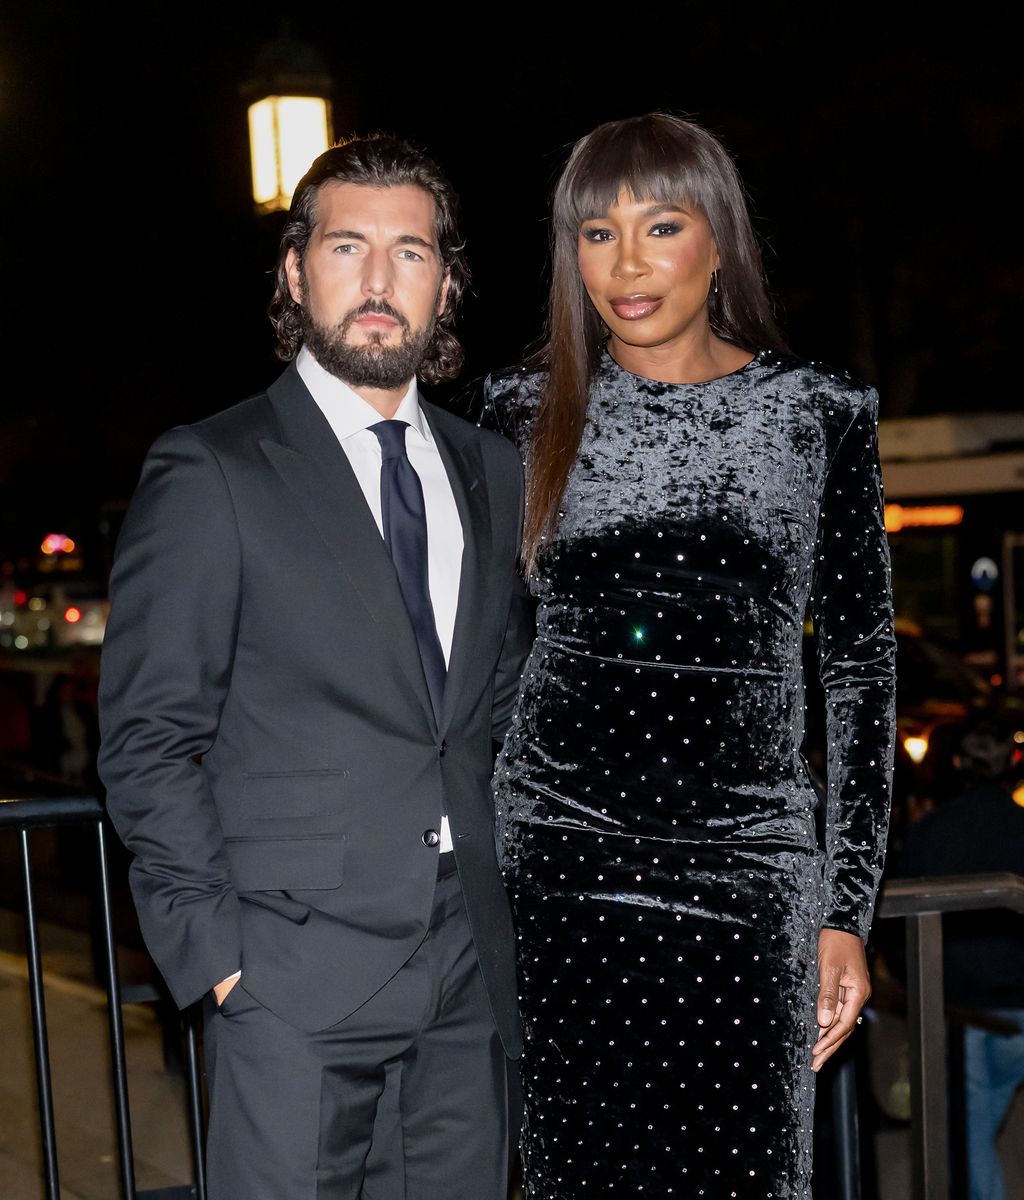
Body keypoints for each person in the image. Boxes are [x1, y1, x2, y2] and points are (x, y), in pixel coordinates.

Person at [98, 134, 532, 1200]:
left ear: (446, 284)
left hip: (471, 966)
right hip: (291, 976)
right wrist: (220, 960)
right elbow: (149, 734)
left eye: (412, 253)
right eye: (348, 247)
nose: (380, 281)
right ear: (297, 271)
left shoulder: (494, 467)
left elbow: (504, 707)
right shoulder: (213, 466)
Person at [480, 113, 897, 1197]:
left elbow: (856, 670)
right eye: (595, 233)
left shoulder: (820, 412)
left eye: (659, 226)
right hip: (559, 859)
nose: (625, 264)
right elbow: (475, 651)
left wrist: (846, 908)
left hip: (747, 866)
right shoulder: (518, 410)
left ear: (718, 239)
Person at [898, 717, 1024, 1200]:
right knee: (982, 1119)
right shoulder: (1019, 827)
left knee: (970, 1127)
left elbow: (903, 914)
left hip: (962, 1003)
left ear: (955, 762)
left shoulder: (932, 832)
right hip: (1017, 999)